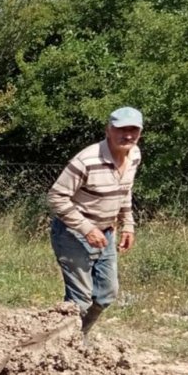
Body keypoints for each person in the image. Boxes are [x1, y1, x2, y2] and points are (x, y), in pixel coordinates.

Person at [48, 106, 143, 343]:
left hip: (106, 233)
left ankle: (77, 337)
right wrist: (86, 228)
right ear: (108, 130)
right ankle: (59, 345)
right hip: (72, 233)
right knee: (79, 299)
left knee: (105, 294)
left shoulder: (134, 155)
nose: (128, 135)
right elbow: (55, 197)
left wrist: (128, 224)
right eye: (121, 129)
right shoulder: (87, 160)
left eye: (133, 130)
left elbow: (125, 190)